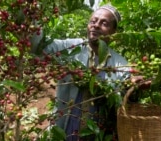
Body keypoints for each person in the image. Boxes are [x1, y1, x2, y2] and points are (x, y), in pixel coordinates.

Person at [37, 4, 131, 141]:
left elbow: (120, 100)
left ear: (114, 31)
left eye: (104, 23)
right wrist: (29, 16)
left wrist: (134, 85)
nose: (96, 25)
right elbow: (39, 47)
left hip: (99, 134)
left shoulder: (121, 65)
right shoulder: (70, 48)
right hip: (66, 131)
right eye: (93, 21)